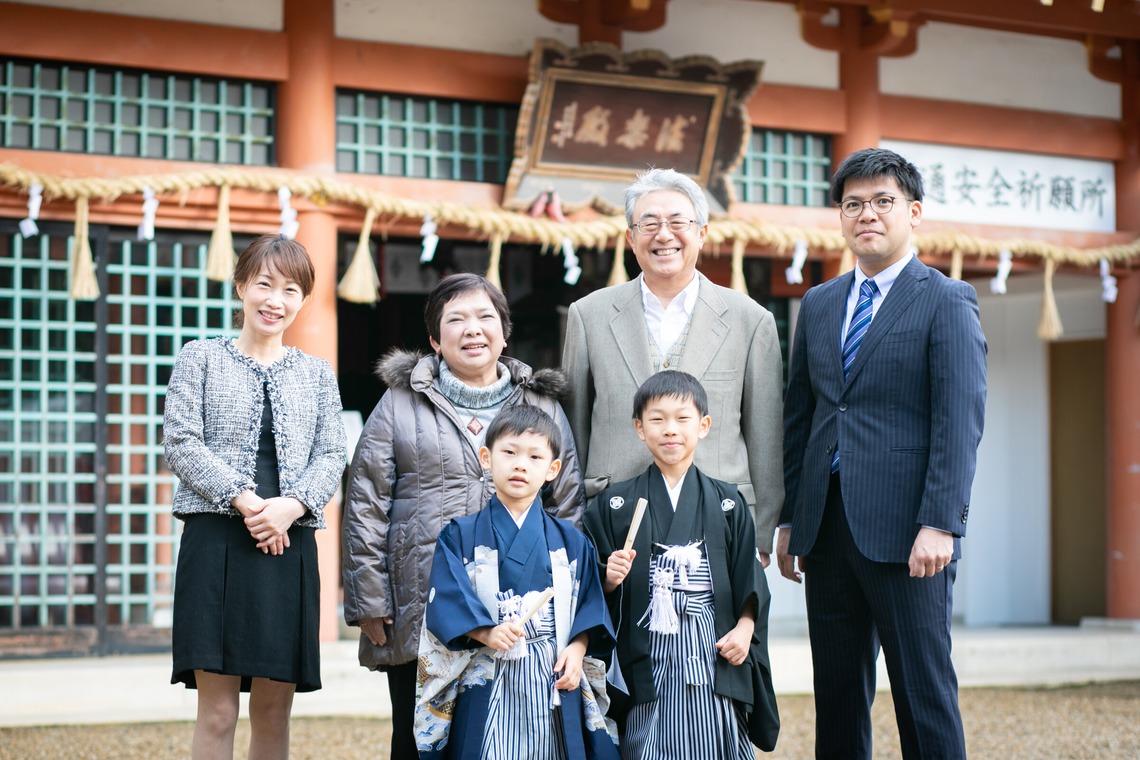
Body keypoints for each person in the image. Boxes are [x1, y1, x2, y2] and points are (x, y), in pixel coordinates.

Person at [777, 148, 987, 759]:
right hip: (828, 525)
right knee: (837, 694)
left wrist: (941, 522)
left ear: (913, 212)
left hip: (908, 532)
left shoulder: (946, 299)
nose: (866, 214)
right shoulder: (817, 303)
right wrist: (793, 518)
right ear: (840, 217)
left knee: (923, 690)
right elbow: (803, 416)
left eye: (882, 201)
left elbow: (960, 419)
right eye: (853, 204)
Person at [342, 273, 584, 759]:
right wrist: (369, 599)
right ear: (435, 339)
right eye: (456, 319)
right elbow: (366, 501)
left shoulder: (541, 404)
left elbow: (567, 505)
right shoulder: (399, 403)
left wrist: (571, 609)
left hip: (523, 607)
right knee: (419, 739)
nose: (472, 329)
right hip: (422, 599)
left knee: (517, 736)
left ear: (504, 331)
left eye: (484, 317)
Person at [163, 234, 347, 759]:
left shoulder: (316, 374)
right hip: (215, 544)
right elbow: (180, 441)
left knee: (273, 710)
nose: (275, 299)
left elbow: (333, 454)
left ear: (303, 300)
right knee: (217, 710)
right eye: (264, 284)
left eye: (291, 289)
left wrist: (291, 507)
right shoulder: (199, 357)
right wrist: (246, 501)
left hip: (287, 548)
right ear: (242, 285)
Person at [562, 167, 784, 562]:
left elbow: (765, 436)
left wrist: (761, 534)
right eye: (649, 223)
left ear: (702, 232)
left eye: (678, 222)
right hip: (613, 522)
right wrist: (573, 523)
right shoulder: (588, 315)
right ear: (631, 238)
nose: (663, 235)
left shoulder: (750, 320)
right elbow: (572, 429)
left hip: (720, 520)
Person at [584, 371, 780, 758]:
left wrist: (744, 628)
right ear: (639, 429)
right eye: (657, 419)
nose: (669, 429)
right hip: (649, 653)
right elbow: (588, 583)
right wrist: (607, 578)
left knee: (715, 739)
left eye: (682, 418)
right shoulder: (614, 504)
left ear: (703, 426)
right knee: (649, 741)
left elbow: (749, 578)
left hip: (710, 651)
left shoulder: (727, 503)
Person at [415, 404, 619, 759]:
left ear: (553, 469)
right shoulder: (459, 535)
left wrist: (578, 648)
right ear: (486, 458)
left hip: (551, 668)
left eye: (535, 456)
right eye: (509, 452)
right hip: (487, 665)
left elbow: (591, 605)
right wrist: (486, 633)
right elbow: (447, 600)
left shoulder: (572, 541)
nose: (520, 464)